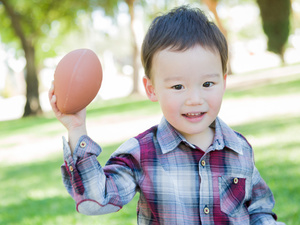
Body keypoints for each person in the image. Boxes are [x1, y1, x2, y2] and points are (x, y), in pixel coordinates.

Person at [49, 5, 284, 225]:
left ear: (223, 82)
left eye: (207, 83)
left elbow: (258, 209)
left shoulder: (239, 149)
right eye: (178, 87)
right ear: (152, 89)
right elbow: (96, 201)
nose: (194, 98)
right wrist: (76, 129)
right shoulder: (141, 154)